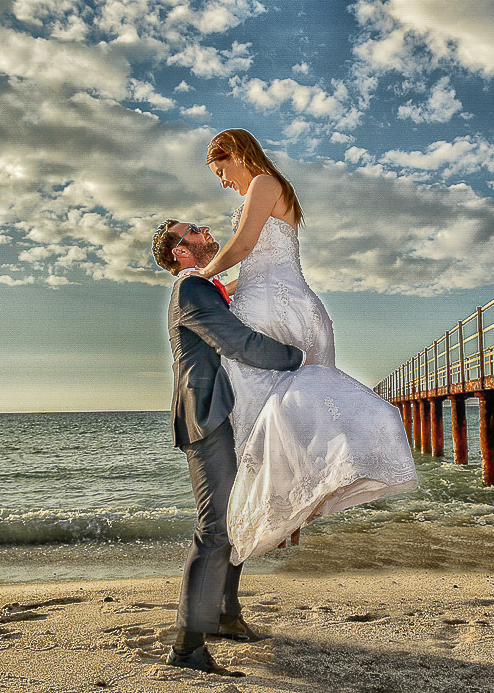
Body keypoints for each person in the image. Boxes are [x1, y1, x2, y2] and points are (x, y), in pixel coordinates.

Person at [200, 129, 418, 564]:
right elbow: (264, 262)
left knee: (267, 410)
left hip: (277, 310)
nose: (223, 182)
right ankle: (289, 516)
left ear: (236, 154)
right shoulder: (274, 189)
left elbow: (243, 246)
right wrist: (227, 285)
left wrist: (201, 274)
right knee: (289, 418)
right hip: (288, 300)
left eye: (221, 170)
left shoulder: (263, 183)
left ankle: (277, 517)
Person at [152, 219, 304, 677]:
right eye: (192, 231)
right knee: (217, 526)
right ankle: (186, 647)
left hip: (230, 412)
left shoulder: (211, 286)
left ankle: (224, 616)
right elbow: (238, 343)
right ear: (180, 252)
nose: (204, 230)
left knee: (237, 519)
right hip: (207, 415)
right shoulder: (191, 289)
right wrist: (299, 358)